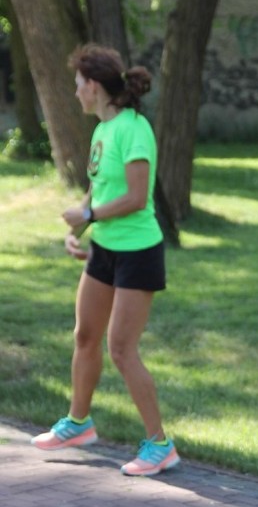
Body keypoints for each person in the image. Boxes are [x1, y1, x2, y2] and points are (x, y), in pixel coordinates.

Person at [31, 44, 180, 478]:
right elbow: (98, 190)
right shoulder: (103, 130)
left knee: (120, 348)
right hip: (105, 250)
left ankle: (160, 444)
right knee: (85, 336)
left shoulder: (134, 129)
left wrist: (90, 216)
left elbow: (136, 197)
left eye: (78, 85)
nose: (75, 93)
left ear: (93, 86)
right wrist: (77, 230)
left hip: (138, 252)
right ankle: (78, 423)